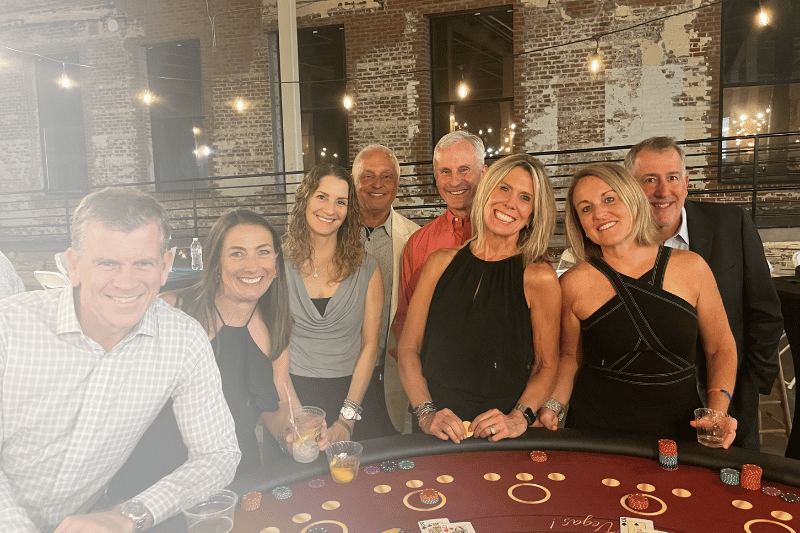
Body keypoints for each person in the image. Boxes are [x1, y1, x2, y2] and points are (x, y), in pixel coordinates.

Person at [0, 188, 239, 533]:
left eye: (143, 263)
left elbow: (218, 454)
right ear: (74, 265)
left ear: (165, 266)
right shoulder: (8, 327)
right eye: (108, 263)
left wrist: (129, 514)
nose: (126, 283)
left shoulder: (183, 339)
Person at [546, 162, 738, 446]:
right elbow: (570, 359)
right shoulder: (573, 282)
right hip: (596, 432)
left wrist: (717, 412)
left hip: (680, 430)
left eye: (609, 199)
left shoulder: (692, 267)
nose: (599, 213)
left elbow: (721, 348)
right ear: (580, 225)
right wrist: (551, 408)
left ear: (633, 200)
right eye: (586, 208)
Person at [624, 137, 783, 450]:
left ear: (686, 183)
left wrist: (751, 387)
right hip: (650, 414)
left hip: (729, 405)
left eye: (672, 178)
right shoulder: (618, 244)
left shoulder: (731, 225)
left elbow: (765, 312)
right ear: (630, 187)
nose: (662, 191)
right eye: (649, 180)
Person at [398, 154, 561, 443]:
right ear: (486, 190)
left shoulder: (539, 278)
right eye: (504, 188)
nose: (511, 203)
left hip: (500, 435)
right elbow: (409, 348)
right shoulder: (439, 263)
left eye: (525, 197)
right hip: (435, 429)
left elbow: (546, 366)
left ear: (534, 213)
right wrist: (426, 413)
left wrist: (518, 418)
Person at [161, 210, 306, 470]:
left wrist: (295, 435)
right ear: (217, 263)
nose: (252, 266)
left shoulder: (276, 321)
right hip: (169, 471)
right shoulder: (173, 310)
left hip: (240, 467)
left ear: (276, 263)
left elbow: (280, 401)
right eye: (237, 253)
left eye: (263, 252)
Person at [284, 164, 385, 442]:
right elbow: (273, 349)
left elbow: (370, 346)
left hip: (353, 395)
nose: (330, 209)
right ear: (305, 199)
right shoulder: (277, 267)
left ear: (349, 211)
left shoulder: (369, 269)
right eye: (322, 197)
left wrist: (347, 418)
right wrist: (295, 413)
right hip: (292, 394)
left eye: (341, 202)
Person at [392, 131, 487, 343]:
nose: (454, 182)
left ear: (484, 172)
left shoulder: (511, 238)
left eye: (464, 170)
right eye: (445, 171)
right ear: (436, 177)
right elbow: (404, 320)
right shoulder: (417, 244)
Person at [352, 145, 420, 434]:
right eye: (367, 176)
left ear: (397, 184)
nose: (377, 185)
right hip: (339, 371)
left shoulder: (416, 239)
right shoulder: (332, 233)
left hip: (389, 373)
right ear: (354, 181)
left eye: (386, 177)